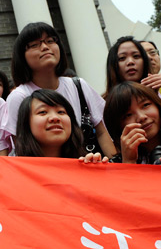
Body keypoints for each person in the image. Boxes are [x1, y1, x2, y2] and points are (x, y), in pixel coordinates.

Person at [6, 22, 115, 157]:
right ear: (22, 57)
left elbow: (102, 131)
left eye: (50, 41)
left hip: (82, 164)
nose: (45, 47)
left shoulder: (78, 85)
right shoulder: (19, 96)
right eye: (34, 45)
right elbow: (21, 145)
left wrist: (115, 164)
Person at [103, 81, 161, 166]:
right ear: (118, 127)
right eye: (128, 115)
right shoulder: (114, 166)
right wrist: (129, 163)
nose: (141, 117)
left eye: (145, 105)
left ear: (158, 106)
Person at [14, 89, 84, 158]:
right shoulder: (13, 168)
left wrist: (92, 165)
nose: (55, 118)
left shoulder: (86, 164)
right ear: (26, 123)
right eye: (43, 112)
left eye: (61, 112)